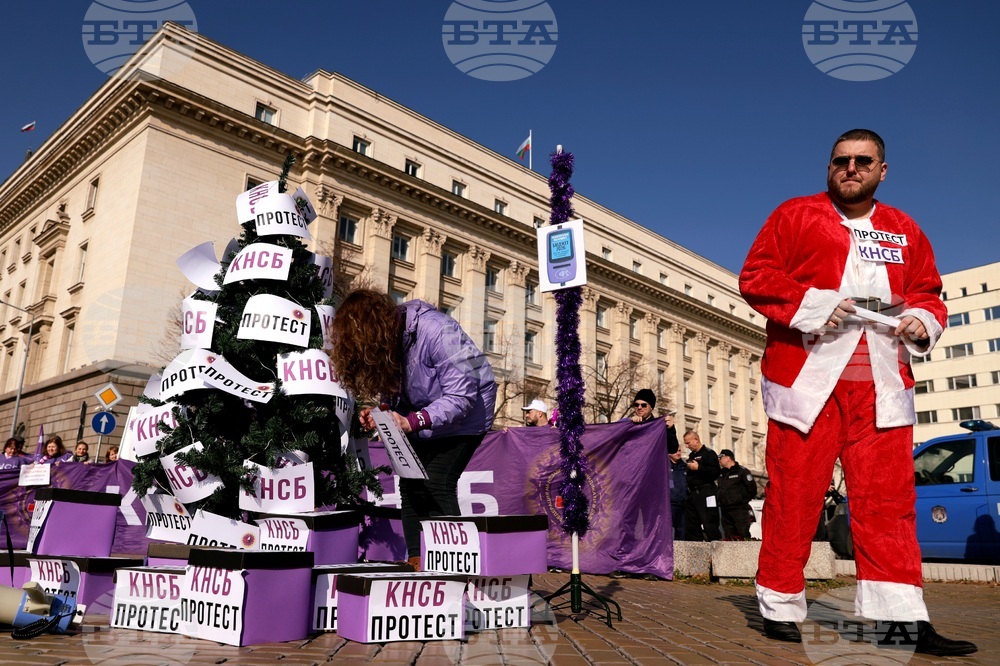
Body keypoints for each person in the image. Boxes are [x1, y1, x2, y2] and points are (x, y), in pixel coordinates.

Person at [740, 129, 976, 655]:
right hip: (808, 381)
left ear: (881, 170)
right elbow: (757, 276)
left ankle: (901, 621)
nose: (851, 168)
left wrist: (921, 320)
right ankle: (780, 603)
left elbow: (928, 292)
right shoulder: (794, 215)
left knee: (889, 505)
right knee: (793, 498)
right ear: (829, 167)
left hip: (882, 386)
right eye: (841, 160)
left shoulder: (905, 228)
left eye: (863, 161)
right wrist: (816, 303)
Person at [329, 289, 496, 571]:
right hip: (424, 415)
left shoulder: (437, 330)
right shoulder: (390, 342)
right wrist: (382, 412)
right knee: (410, 485)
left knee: (437, 482)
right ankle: (417, 561)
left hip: (468, 415)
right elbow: (395, 392)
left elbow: (462, 396)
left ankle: (461, 564)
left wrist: (410, 421)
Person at [682, 430, 721, 541]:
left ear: (696, 440)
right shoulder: (691, 456)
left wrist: (699, 468)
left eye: (688, 443)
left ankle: (715, 547)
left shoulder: (709, 454)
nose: (687, 446)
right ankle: (697, 548)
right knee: (691, 525)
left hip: (706, 492)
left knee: (710, 523)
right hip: (693, 494)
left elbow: (715, 472)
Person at [716, 449, 757, 540]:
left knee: (743, 534)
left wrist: (742, 500)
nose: (719, 460)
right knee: (729, 536)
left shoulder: (742, 471)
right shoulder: (721, 474)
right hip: (725, 510)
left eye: (720, 458)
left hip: (739, 509)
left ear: (727, 458)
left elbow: (752, 489)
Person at [667, 413, 686, 541]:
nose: (678, 453)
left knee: (682, 533)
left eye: (679, 451)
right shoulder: (664, 466)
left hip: (683, 505)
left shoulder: (685, 466)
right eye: (675, 451)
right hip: (669, 505)